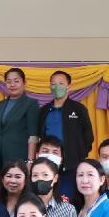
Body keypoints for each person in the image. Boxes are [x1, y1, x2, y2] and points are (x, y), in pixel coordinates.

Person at [36, 71, 93, 201]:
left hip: (71, 165)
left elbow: (88, 136)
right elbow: (39, 135)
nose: (57, 87)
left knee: (70, 199)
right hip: (48, 164)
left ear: (69, 86)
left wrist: (78, 155)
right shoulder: (44, 110)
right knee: (46, 198)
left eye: (61, 83)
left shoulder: (78, 109)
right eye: (53, 84)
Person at [0, 68, 40, 168]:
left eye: (16, 81)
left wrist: (30, 161)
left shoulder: (31, 103)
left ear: (24, 82)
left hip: (20, 160)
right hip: (0, 160)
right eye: (9, 82)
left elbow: (33, 136)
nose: (12, 84)